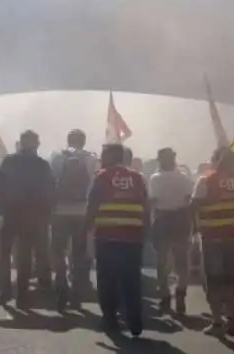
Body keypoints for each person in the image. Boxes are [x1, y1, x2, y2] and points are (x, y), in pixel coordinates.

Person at [191, 147, 234, 337]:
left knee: (214, 281)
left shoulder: (205, 181)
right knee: (231, 280)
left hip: (213, 238)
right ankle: (232, 321)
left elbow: (193, 207)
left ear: (216, 161)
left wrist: (193, 232)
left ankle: (217, 322)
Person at [85, 143, 148, 337]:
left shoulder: (102, 176)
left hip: (107, 236)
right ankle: (135, 320)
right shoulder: (138, 177)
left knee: (107, 279)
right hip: (133, 237)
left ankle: (110, 319)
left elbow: (93, 204)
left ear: (109, 156)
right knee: (132, 279)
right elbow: (146, 205)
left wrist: (86, 230)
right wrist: (145, 231)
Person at [0, 130, 55, 308]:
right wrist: (47, 214)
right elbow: (50, 191)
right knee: (25, 255)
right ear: (36, 144)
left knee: (5, 253)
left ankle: (5, 290)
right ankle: (22, 294)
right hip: (32, 216)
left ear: (21, 143)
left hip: (11, 213)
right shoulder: (42, 165)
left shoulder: (9, 162)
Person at [50, 129, 97, 310]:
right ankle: (77, 289)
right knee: (79, 252)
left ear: (67, 140)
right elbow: (95, 185)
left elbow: (51, 182)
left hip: (60, 211)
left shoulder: (56, 157)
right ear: (84, 142)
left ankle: (61, 281)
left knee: (58, 250)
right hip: (82, 211)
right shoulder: (91, 158)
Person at [149, 147, 193, 315]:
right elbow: (189, 199)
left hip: (163, 220)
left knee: (162, 260)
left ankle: (165, 294)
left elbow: (152, 202)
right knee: (182, 260)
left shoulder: (155, 179)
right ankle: (181, 291)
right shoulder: (183, 178)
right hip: (180, 219)